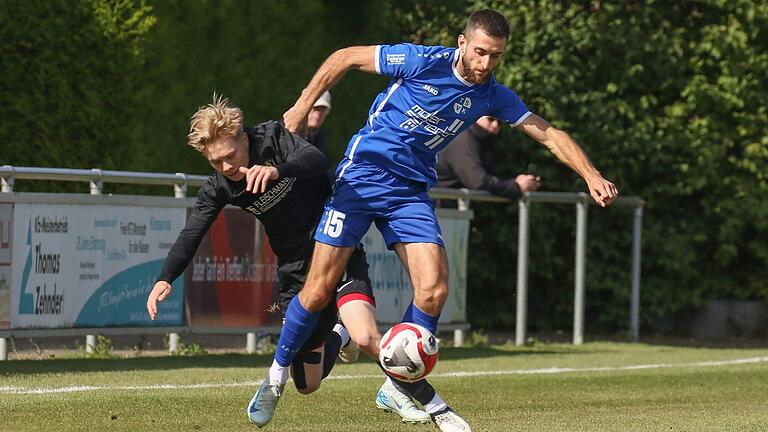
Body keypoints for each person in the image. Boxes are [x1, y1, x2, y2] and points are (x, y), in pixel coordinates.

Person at [250, 8, 618, 428]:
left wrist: (590, 174)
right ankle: (275, 377)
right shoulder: (421, 60)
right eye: (480, 52)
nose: (485, 64)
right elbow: (345, 57)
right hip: (362, 177)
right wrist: (301, 107)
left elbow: (548, 132)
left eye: (496, 56)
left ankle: (396, 383)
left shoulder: (493, 95)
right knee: (317, 292)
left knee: (434, 291)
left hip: (408, 192)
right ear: (463, 43)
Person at [145, 95, 446, 428]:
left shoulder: (273, 137)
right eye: (216, 162)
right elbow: (192, 232)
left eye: (230, 156)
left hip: (337, 247)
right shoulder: (220, 187)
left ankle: (407, 395)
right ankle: (337, 335)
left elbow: (315, 160)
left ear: (244, 139)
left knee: (367, 338)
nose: (227, 167)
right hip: (295, 270)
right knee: (307, 384)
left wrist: (277, 170)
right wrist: (165, 278)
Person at [435, 115, 541, 205]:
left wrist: (520, 183)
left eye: (499, 122)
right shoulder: (464, 139)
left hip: (449, 208)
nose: (495, 125)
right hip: (438, 208)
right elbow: (477, 181)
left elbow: (488, 178)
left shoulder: (480, 139)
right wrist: (516, 186)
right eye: (490, 119)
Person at [306, 90, 332, 155]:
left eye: (322, 109)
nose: (318, 113)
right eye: (315, 108)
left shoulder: (320, 138)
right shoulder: (286, 133)